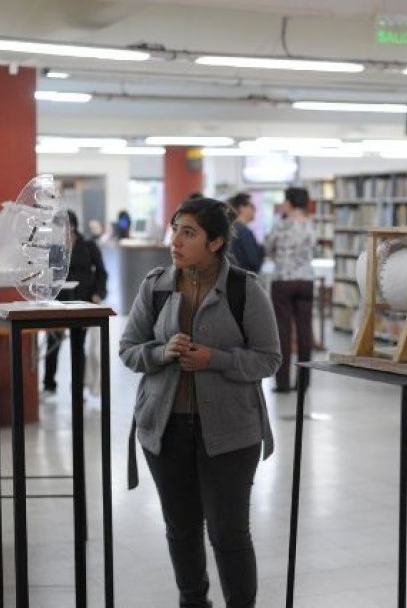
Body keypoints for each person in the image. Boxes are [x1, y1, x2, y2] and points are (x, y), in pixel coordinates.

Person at [119, 197, 281, 608]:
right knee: (181, 528)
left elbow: (269, 358)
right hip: (165, 428)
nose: (175, 240)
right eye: (175, 229)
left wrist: (217, 359)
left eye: (188, 232)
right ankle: (193, 601)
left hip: (230, 433)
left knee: (228, 533)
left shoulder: (245, 290)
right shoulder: (155, 286)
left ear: (215, 242)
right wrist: (160, 352)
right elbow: (129, 348)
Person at [43, 210, 107, 398]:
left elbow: (102, 273)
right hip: (58, 303)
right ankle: (48, 385)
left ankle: (78, 389)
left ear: (71, 227)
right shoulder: (54, 248)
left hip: (82, 302)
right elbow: (46, 274)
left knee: (78, 346)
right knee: (52, 344)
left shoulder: (88, 246)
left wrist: (98, 294)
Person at [264, 187, 315, 393]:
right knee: (305, 332)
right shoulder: (311, 225)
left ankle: (283, 382)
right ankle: (303, 382)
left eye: (285, 200)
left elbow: (269, 249)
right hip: (306, 280)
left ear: (290, 202)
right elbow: (313, 246)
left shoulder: (281, 225)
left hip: (283, 280)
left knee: (283, 331)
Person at [228, 192, 264, 273]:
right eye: (251, 206)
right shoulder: (244, 232)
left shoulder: (229, 229)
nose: (255, 210)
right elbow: (254, 261)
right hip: (244, 279)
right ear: (241, 208)